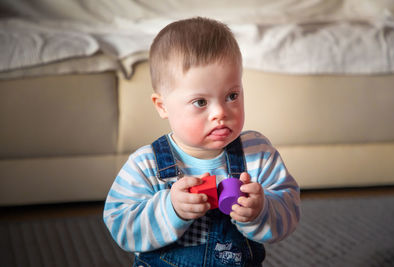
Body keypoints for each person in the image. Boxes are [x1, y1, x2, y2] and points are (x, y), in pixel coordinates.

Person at [103, 17, 300, 267]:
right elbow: (120, 225)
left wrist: (261, 211)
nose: (220, 112)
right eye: (200, 102)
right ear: (163, 106)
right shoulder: (147, 164)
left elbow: (290, 209)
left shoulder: (257, 153)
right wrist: (170, 209)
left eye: (232, 95)